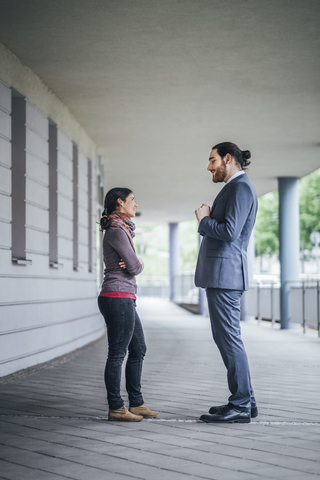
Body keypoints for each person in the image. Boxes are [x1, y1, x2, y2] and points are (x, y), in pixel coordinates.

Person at [194, 142, 258, 424]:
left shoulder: (240, 188)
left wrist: (204, 219)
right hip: (223, 275)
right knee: (227, 339)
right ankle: (246, 400)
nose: (209, 167)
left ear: (228, 159)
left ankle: (241, 404)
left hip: (225, 276)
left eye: (212, 160)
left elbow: (230, 232)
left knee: (229, 339)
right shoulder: (234, 188)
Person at [98, 187, 158, 421]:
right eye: (133, 200)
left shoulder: (124, 229)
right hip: (117, 296)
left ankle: (137, 403)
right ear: (120, 202)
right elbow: (134, 267)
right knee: (117, 354)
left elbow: (132, 264)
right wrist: (138, 261)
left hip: (124, 297)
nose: (136, 204)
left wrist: (135, 261)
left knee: (138, 349)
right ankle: (116, 407)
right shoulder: (116, 230)